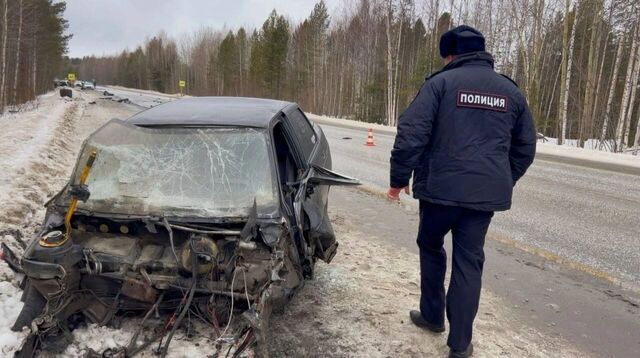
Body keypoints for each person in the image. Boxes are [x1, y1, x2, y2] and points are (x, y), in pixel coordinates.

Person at [387, 25, 536, 357]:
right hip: (481, 201)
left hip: (439, 192)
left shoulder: (439, 84)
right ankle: (460, 345)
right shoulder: (510, 92)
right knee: (469, 262)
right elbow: (525, 147)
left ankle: (431, 315)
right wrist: (499, 177)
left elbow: (411, 133)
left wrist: (398, 180)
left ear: (451, 55)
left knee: (430, 245)